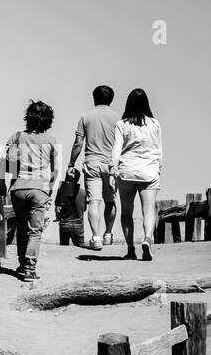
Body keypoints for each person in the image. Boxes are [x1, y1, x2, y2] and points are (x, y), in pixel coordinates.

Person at [0, 100, 61, 280]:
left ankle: (21, 264)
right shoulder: (51, 141)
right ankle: (30, 268)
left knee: (21, 226)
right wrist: (50, 189)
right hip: (38, 190)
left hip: (17, 189)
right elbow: (55, 170)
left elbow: (5, 163)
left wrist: (3, 184)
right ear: (48, 120)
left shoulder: (17, 137)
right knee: (35, 230)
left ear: (29, 117)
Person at [110, 88, 163, 260]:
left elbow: (116, 149)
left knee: (127, 212)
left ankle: (131, 249)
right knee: (148, 211)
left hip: (127, 172)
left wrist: (113, 170)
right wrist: (158, 169)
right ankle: (147, 238)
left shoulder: (122, 124)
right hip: (148, 172)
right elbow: (158, 150)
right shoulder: (155, 124)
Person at [67, 85, 121, 248]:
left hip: (92, 163)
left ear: (94, 98)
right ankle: (108, 234)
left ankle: (96, 237)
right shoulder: (119, 119)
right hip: (111, 164)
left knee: (94, 202)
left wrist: (71, 163)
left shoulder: (86, 117)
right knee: (110, 202)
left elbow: (78, 143)